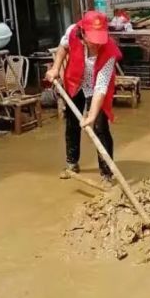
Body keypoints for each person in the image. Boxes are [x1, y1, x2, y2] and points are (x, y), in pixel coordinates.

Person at [44, 10, 122, 183]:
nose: (96, 44)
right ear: (83, 33)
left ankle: (107, 174)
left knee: (100, 128)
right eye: (92, 40)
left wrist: (92, 116)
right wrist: (56, 68)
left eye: (99, 39)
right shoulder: (73, 31)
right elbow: (63, 48)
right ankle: (72, 163)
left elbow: (100, 88)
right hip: (75, 81)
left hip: (96, 87)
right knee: (72, 123)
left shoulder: (109, 52)